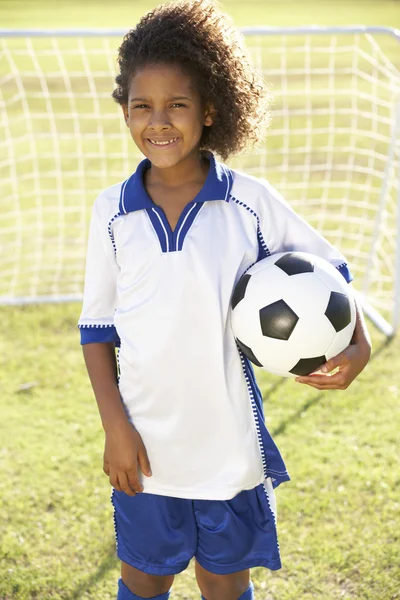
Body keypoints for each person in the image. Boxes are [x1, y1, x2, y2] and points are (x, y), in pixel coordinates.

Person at [78, 1, 372, 599]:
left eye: (177, 105)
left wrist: (359, 345)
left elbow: (330, 275)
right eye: (141, 106)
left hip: (228, 443)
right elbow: (96, 329)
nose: (157, 121)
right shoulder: (111, 211)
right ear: (125, 111)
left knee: (222, 578)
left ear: (211, 110)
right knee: (145, 574)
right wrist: (114, 426)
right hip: (144, 441)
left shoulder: (250, 202)